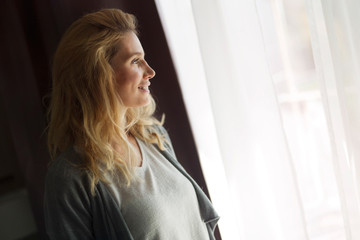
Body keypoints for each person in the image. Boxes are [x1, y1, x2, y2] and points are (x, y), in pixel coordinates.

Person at [44, 8, 219, 240]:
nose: (150, 71)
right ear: (99, 75)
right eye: (135, 61)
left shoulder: (155, 137)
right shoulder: (70, 177)